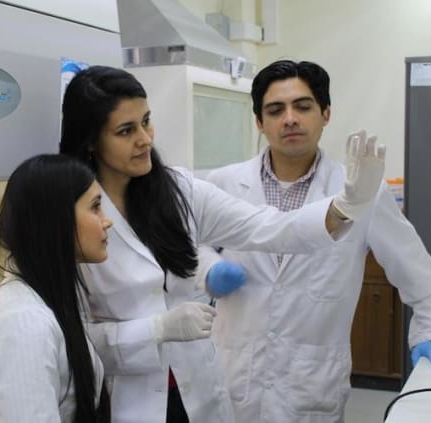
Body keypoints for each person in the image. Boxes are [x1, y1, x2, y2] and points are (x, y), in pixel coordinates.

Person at [59, 65, 385, 423]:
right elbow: (71, 339)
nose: (145, 139)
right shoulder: (68, 212)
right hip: (123, 399)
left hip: (197, 391)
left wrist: (345, 206)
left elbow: (270, 227)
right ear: (91, 139)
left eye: (146, 121)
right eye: (126, 130)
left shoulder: (179, 190)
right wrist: (155, 330)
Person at [199, 59, 431, 422]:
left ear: (325, 114)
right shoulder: (224, 183)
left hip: (309, 383)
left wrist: (430, 327)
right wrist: (209, 268)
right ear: (259, 122)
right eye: (275, 110)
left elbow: (410, 264)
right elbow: (187, 242)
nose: (289, 118)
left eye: (302, 106)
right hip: (232, 372)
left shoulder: (359, 191)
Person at [0, 154, 113, 423]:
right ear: (57, 220)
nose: (106, 220)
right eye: (95, 207)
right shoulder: (23, 327)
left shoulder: (48, 299)